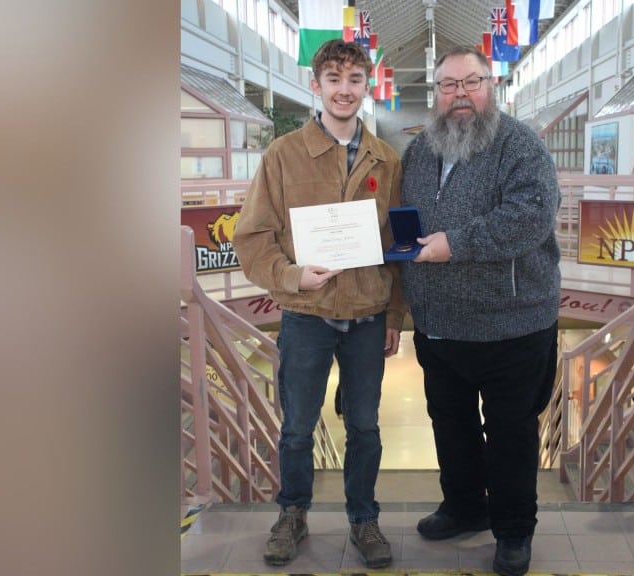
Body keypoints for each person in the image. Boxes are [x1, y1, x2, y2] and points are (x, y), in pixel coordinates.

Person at [230, 39, 406, 569]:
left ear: (367, 86)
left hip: (368, 313)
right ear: (317, 85)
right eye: (334, 78)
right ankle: (292, 513)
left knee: (366, 427)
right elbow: (252, 236)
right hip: (305, 316)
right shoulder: (282, 155)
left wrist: (395, 315)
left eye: (355, 79)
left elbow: (397, 245)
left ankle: (363, 518)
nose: (344, 89)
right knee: (297, 426)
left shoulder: (387, 160)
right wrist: (290, 275)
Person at [398, 46, 561, 576]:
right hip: (440, 327)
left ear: (491, 87)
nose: (460, 93)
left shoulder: (521, 146)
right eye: (449, 84)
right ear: (436, 94)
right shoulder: (420, 151)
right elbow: (404, 221)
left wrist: (454, 243)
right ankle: (465, 507)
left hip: (512, 326)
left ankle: (513, 531)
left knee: (510, 434)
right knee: (451, 424)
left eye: (472, 81)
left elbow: (528, 220)